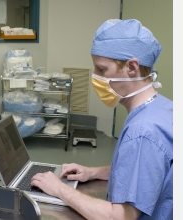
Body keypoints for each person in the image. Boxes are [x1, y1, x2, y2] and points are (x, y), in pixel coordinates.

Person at [31, 19, 173, 220]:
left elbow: (120, 217)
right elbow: (145, 174)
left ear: (131, 67)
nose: (95, 76)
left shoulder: (143, 131)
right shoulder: (163, 108)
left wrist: (59, 189)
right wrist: (93, 172)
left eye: (101, 69)